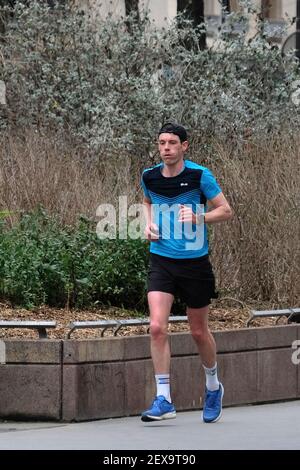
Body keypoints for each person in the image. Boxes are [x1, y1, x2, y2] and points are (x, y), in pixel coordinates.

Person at [140, 122, 233, 423]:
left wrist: (199, 216)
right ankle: (164, 399)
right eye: (161, 143)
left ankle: (212, 386)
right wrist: (148, 223)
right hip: (162, 260)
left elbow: (226, 210)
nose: (166, 147)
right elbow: (146, 201)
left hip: (195, 263)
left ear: (184, 146)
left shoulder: (199, 175)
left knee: (197, 331)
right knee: (156, 327)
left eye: (172, 143)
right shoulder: (149, 176)